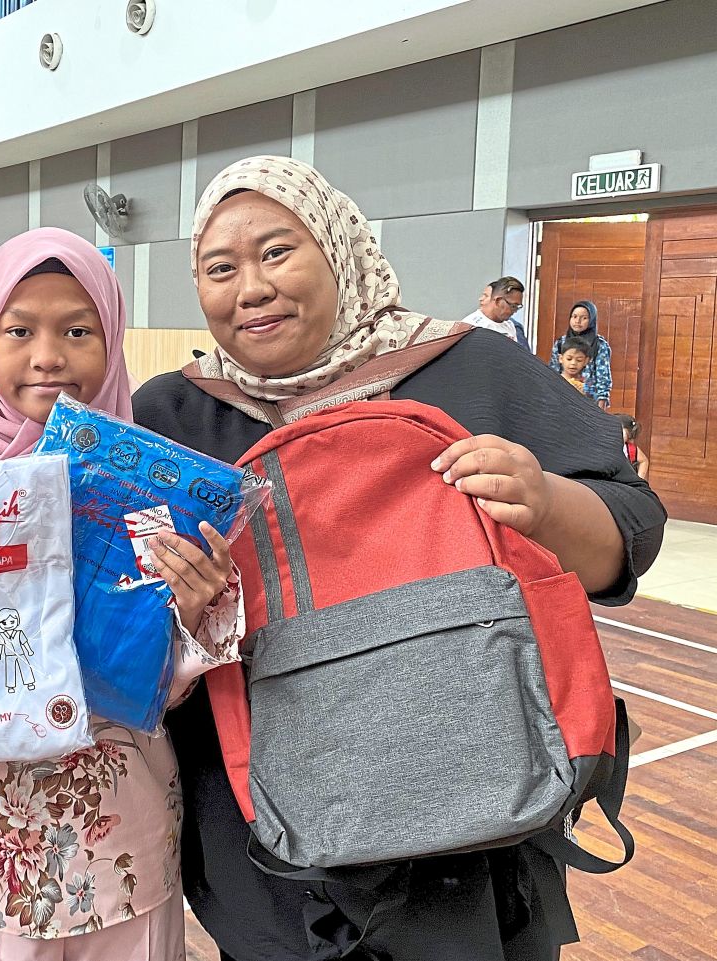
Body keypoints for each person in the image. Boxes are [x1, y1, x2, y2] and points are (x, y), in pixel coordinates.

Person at [119, 156, 664, 961]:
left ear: (340, 247)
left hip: (473, 853)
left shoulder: (468, 368)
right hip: (264, 864)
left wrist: (543, 502)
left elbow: (631, 528)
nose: (252, 287)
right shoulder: (170, 416)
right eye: (219, 267)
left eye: (277, 252)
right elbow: (120, 620)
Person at [0, 228, 241, 959]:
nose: (49, 356)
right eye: (19, 330)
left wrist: (190, 613)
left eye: (79, 330)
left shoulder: (148, 494)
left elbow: (159, 694)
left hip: (124, 838)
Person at [550, 301, 612, 409]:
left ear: (591, 320)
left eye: (584, 318)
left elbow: (603, 376)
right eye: (574, 317)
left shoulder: (599, 344)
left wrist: (602, 401)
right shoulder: (561, 342)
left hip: (589, 400)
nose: (578, 321)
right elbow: (553, 371)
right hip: (562, 398)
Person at [459, 277, 529, 348]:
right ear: (498, 301)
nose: (515, 311)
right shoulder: (471, 326)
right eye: (513, 306)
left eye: (518, 307)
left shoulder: (510, 325)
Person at [616, 414, 650, 480]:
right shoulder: (605, 445)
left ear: (628, 434)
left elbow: (644, 461)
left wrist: (638, 480)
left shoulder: (630, 449)